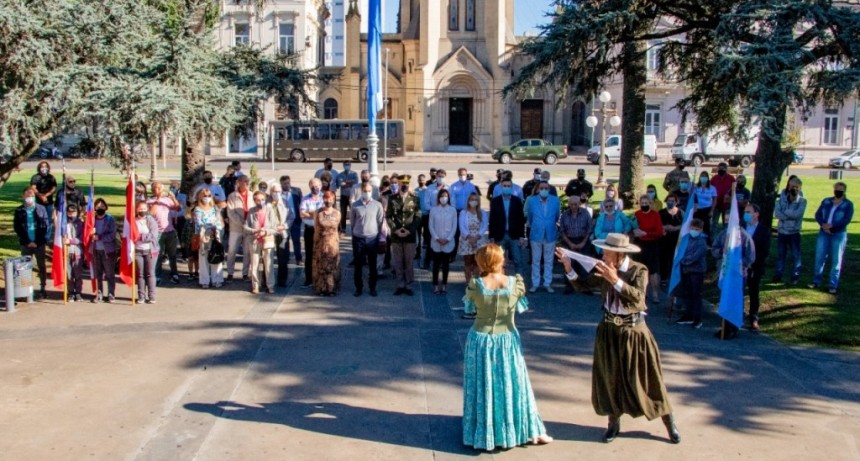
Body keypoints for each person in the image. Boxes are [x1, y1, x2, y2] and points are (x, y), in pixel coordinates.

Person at [556, 234, 681, 445]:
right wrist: (569, 268)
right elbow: (583, 286)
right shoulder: (603, 268)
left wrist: (615, 280)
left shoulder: (638, 270)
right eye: (604, 252)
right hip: (608, 331)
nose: (603, 256)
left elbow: (638, 298)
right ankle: (613, 424)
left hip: (634, 333)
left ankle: (669, 423)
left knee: (647, 380)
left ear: (619, 254)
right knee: (610, 378)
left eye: (607, 253)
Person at [462, 244, 553, 450]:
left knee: (483, 383)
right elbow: (520, 306)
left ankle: (484, 432)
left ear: (481, 262)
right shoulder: (515, 283)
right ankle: (526, 429)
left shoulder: (475, 285)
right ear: (499, 260)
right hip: (507, 339)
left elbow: (469, 308)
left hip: (481, 340)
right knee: (514, 383)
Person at [710, 209, 756, 339]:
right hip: (724, 273)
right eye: (725, 219)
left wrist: (739, 263)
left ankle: (733, 327)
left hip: (737, 275)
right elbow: (714, 249)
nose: (726, 222)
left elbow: (750, 257)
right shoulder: (723, 234)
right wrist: (721, 251)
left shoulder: (745, 237)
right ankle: (724, 326)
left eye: (729, 219)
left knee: (734, 301)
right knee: (724, 300)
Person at [811, 182, 854, 294]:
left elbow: (846, 219)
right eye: (836, 189)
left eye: (840, 190)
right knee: (819, 257)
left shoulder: (848, 204)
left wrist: (832, 226)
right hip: (823, 232)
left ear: (844, 191)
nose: (838, 191)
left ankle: (833, 285)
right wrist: (823, 224)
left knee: (836, 260)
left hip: (838, 234)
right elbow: (818, 214)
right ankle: (816, 281)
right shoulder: (826, 201)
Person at [387, 175, 421, 296]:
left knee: (409, 261)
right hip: (396, 235)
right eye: (402, 183)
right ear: (399, 184)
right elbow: (388, 216)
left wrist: (410, 231)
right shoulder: (392, 198)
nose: (405, 185)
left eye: (407, 183)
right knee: (398, 261)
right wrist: (395, 229)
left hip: (409, 235)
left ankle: (408, 285)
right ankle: (400, 284)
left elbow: (418, 216)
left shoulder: (415, 199)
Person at [14, 187, 51, 299]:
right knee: (25, 267)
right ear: (23, 197)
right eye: (27, 196)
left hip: (39, 243)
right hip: (26, 244)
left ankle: (43, 287)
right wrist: (27, 241)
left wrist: (38, 242)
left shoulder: (41, 209)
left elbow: (45, 226)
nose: (29, 198)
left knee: (41, 266)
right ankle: (26, 290)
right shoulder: (19, 211)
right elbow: (17, 228)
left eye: (31, 196)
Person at [351, 182, 384, 297]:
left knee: (372, 265)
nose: (367, 193)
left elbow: (380, 221)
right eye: (365, 191)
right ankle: (358, 288)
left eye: (369, 191)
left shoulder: (377, 205)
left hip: (372, 239)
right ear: (361, 191)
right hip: (358, 239)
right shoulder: (355, 205)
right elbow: (352, 222)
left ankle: (372, 288)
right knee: (358, 265)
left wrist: (376, 234)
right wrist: (357, 232)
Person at [673, 219, 708, 328]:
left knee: (696, 295)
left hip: (696, 271)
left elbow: (695, 257)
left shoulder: (701, 242)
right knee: (687, 293)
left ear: (701, 230)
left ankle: (697, 318)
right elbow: (680, 251)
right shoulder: (685, 238)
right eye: (692, 228)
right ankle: (688, 315)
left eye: (696, 229)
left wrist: (682, 260)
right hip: (685, 270)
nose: (694, 231)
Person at [526, 182, 560, 293]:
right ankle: (535, 283)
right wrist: (537, 225)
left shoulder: (555, 200)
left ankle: (547, 283)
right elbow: (530, 217)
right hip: (536, 234)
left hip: (550, 234)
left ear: (549, 189)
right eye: (541, 188)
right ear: (538, 189)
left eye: (546, 188)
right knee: (535, 260)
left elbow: (557, 216)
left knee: (549, 260)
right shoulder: (532, 201)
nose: (544, 190)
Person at [741, 204, 770, 332]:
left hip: (755, 267)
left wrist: (751, 263)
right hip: (739, 266)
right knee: (738, 291)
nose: (746, 214)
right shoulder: (740, 227)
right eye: (745, 212)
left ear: (756, 214)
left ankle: (753, 319)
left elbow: (764, 251)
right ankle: (737, 315)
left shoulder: (764, 230)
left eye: (749, 212)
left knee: (753, 292)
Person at [488, 179, 527, 277]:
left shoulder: (517, 201)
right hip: (500, 235)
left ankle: (519, 282)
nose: (506, 188)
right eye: (504, 186)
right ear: (501, 187)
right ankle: (501, 281)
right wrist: (491, 236)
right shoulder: (495, 201)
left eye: (508, 186)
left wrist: (522, 236)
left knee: (518, 260)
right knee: (499, 261)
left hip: (514, 235)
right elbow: (492, 219)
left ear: (511, 187)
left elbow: (521, 219)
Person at [773, 177, 806, 285]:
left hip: (794, 232)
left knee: (796, 255)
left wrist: (785, 212)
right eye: (792, 186)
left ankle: (795, 276)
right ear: (788, 186)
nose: (794, 189)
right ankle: (778, 275)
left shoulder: (802, 201)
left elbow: (797, 214)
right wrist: (789, 214)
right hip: (782, 231)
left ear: (800, 188)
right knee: (780, 255)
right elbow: (777, 214)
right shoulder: (781, 199)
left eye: (796, 187)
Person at [632, 194, 665, 303]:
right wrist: (635, 232)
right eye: (642, 203)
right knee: (640, 269)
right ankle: (642, 292)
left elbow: (659, 232)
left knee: (653, 270)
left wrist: (646, 233)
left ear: (650, 204)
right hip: (639, 244)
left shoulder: (655, 215)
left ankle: (655, 293)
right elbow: (633, 227)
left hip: (652, 244)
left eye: (646, 203)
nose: (644, 205)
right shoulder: (637, 214)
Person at [147, 181, 181, 285]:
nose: (160, 190)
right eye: (157, 188)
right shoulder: (150, 201)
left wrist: (173, 198)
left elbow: (178, 208)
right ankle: (157, 275)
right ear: (153, 190)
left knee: (172, 254)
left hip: (170, 231)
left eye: (161, 188)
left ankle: (174, 274)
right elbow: (151, 213)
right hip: (158, 232)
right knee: (158, 255)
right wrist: (158, 200)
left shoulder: (166, 200)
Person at [244, 191, 277, 294]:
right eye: (258, 200)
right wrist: (254, 231)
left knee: (269, 264)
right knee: (255, 264)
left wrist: (265, 232)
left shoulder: (270, 210)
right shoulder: (251, 211)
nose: (260, 202)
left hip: (267, 240)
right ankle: (255, 285)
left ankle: (270, 285)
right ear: (254, 200)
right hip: (254, 240)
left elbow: (274, 228)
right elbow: (245, 226)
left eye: (262, 199)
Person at [559, 194, 593, 293]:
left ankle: (585, 287)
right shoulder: (564, 215)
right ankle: (569, 286)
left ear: (579, 204)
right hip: (569, 241)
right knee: (569, 264)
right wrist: (570, 243)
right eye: (572, 204)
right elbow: (562, 231)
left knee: (584, 264)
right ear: (569, 204)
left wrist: (583, 242)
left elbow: (589, 229)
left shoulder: (585, 213)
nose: (574, 206)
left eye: (576, 204)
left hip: (583, 240)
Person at [192, 187, 225, 289]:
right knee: (203, 258)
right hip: (203, 236)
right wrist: (209, 227)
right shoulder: (197, 209)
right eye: (204, 196)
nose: (207, 197)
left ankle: (217, 279)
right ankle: (204, 280)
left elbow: (219, 221)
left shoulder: (214, 208)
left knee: (216, 255)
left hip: (215, 235)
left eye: (209, 196)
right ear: (200, 197)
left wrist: (216, 227)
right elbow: (199, 223)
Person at [309, 191, 340, 296]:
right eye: (326, 199)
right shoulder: (318, 212)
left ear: (334, 200)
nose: (328, 201)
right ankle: (321, 288)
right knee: (321, 266)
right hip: (320, 243)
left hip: (332, 243)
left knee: (331, 266)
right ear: (323, 199)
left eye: (331, 199)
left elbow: (335, 226)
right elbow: (316, 226)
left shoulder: (337, 213)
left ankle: (331, 288)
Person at [225, 176, 253, 282]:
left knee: (247, 251)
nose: (246, 183)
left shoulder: (252, 195)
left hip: (249, 228)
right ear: (239, 182)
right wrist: (242, 223)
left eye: (247, 181)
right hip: (236, 228)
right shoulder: (232, 196)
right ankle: (230, 273)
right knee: (232, 250)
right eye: (244, 181)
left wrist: (249, 224)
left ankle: (245, 273)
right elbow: (231, 212)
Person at [90, 198, 118, 302]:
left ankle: (111, 293)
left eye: (102, 206)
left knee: (109, 274)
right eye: (97, 207)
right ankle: (99, 293)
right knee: (98, 274)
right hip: (95, 250)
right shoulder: (92, 219)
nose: (100, 208)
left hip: (108, 251)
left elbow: (112, 235)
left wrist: (99, 237)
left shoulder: (110, 219)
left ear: (105, 207)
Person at [430, 189, 457, 295]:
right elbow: (431, 226)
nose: (443, 198)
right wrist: (437, 238)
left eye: (445, 196)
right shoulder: (433, 210)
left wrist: (448, 239)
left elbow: (454, 226)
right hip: (436, 241)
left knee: (446, 265)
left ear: (448, 198)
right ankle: (435, 285)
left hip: (448, 241)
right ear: (438, 198)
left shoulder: (453, 210)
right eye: (442, 196)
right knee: (436, 265)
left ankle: (444, 284)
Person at [458, 192, 489, 283]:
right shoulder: (464, 212)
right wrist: (469, 237)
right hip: (467, 239)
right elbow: (462, 226)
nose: (473, 201)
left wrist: (477, 236)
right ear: (468, 201)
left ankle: (476, 283)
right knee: (468, 262)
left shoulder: (482, 212)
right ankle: (468, 283)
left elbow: (484, 225)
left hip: (479, 239)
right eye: (472, 199)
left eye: (475, 200)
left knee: (477, 263)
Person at [133, 201, 160, 304]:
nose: (142, 211)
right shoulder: (133, 221)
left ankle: (152, 296)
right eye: (140, 209)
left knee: (150, 273)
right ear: (136, 209)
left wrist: (140, 237)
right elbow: (130, 234)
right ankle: (141, 296)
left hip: (150, 250)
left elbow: (153, 235)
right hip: (137, 250)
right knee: (140, 274)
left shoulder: (151, 221)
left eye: (144, 209)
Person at [300, 178, 325, 287]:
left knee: (321, 254)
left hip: (321, 230)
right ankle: (308, 279)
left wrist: (310, 213)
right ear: (309, 186)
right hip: (309, 229)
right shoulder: (305, 198)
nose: (315, 188)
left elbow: (324, 214)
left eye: (317, 185)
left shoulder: (324, 197)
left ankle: (320, 278)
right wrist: (316, 214)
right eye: (313, 186)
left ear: (321, 185)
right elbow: (302, 213)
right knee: (309, 254)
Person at [268, 184, 293, 288]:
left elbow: (291, 217)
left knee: (283, 257)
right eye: (275, 191)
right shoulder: (266, 203)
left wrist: (284, 226)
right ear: (271, 192)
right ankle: (268, 279)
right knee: (268, 257)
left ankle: (282, 280)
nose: (277, 194)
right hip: (270, 233)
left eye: (279, 192)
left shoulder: (285, 202)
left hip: (282, 234)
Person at [659, 193, 685, 283]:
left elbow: (685, 225)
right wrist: (664, 227)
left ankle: (673, 277)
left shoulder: (680, 212)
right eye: (669, 201)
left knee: (674, 258)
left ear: (676, 202)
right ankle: (663, 278)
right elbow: (657, 224)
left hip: (676, 239)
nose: (670, 202)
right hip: (664, 239)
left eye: (672, 201)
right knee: (664, 259)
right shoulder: (661, 212)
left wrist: (675, 228)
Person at [279, 175, 304, 266]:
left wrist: (301, 216)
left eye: (288, 183)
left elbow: (301, 203)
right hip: (284, 221)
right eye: (285, 183)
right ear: (281, 184)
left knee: (296, 240)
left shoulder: (296, 191)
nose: (287, 185)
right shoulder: (278, 193)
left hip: (295, 220)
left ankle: (298, 259)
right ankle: (285, 258)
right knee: (284, 240)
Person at [64, 204, 85, 302]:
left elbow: (82, 238)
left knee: (78, 273)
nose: (71, 214)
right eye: (69, 212)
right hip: (67, 252)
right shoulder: (63, 224)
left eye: (73, 212)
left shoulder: (80, 224)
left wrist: (71, 241)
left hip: (77, 251)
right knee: (69, 274)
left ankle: (78, 293)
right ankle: (71, 293)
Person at [30, 161, 57, 237]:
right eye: (42, 167)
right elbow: (33, 188)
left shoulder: (51, 177)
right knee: (39, 219)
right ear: (39, 168)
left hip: (49, 202)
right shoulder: (35, 177)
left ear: (48, 168)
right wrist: (41, 196)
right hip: (38, 202)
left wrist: (46, 195)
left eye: (45, 166)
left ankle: (46, 237)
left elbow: (54, 188)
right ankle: (39, 236)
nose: (44, 168)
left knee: (48, 219)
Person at [335, 160, 359, 233]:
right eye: (345, 164)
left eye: (348, 164)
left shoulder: (354, 174)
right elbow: (340, 184)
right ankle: (343, 229)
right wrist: (350, 182)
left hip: (352, 196)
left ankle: (354, 228)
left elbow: (356, 183)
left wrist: (345, 182)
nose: (347, 166)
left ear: (350, 165)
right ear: (343, 165)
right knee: (343, 213)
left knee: (354, 213)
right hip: (343, 196)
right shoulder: (340, 175)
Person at [710, 162, 735, 231]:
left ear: (726, 169)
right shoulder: (714, 178)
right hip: (716, 205)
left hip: (727, 206)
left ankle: (725, 236)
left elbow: (735, 190)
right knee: (714, 223)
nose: (720, 170)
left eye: (723, 169)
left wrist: (730, 197)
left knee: (726, 224)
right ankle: (713, 236)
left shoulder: (731, 178)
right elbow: (709, 188)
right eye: (719, 168)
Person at [692, 171, 717, 238]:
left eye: (705, 176)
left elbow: (714, 200)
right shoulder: (696, 187)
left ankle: (707, 241)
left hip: (707, 209)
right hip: (696, 210)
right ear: (700, 177)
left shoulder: (712, 188)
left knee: (706, 227)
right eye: (702, 176)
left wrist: (712, 211)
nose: (703, 178)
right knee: (696, 225)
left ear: (708, 178)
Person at [414, 174, 428, 261]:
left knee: (427, 236)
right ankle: (418, 253)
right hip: (418, 216)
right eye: (420, 180)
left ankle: (427, 255)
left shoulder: (428, 190)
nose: (421, 182)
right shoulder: (415, 191)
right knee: (418, 236)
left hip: (426, 215)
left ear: (425, 181)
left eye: (422, 180)